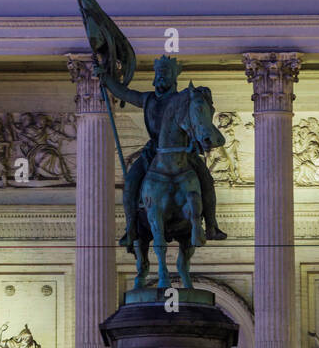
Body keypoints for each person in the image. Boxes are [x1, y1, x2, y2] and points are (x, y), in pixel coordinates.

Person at [95, 54, 226, 250]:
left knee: (206, 179)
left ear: (174, 77)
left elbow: (197, 118)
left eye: (165, 73)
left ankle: (211, 225)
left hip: (184, 151)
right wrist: (106, 79)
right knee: (131, 182)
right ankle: (130, 228)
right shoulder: (148, 99)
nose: (161, 77)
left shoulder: (182, 99)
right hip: (153, 152)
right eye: (159, 73)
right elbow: (124, 93)